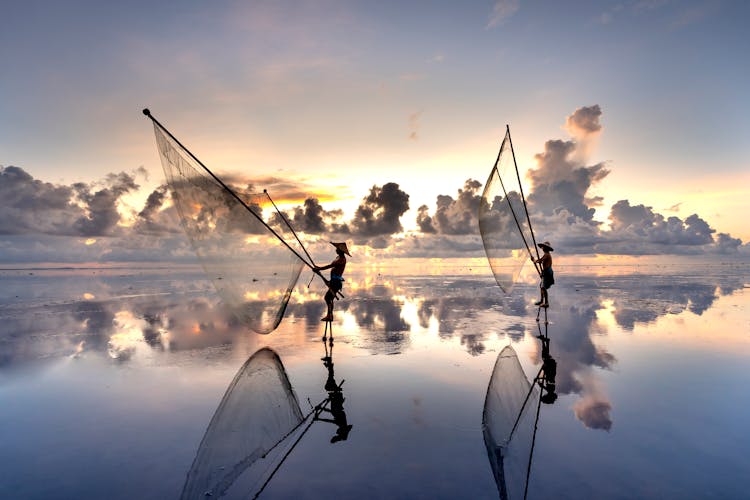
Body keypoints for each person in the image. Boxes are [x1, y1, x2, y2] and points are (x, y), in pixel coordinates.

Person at [315, 242, 350, 322]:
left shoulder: (342, 259)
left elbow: (330, 266)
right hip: (333, 281)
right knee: (330, 298)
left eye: (337, 249)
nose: (336, 249)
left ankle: (330, 316)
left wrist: (319, 269)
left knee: (327, 298)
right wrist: (319, 268)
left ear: (341, 251)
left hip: (336, 283)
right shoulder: (338, 257)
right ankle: (329, 315)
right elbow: (331, 266)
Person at [533, 241, 554, 307]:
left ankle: (546, 303)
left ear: (546, 248)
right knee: (541, 286)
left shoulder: (547, 254)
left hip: (547, 271)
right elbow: (541, 261)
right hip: (546, 271)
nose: (542, 248)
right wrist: (542, 273)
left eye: (544, 247)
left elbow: (540, 260)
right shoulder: (546, 254)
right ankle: (542, 301)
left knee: (543, 287)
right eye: (543, 247)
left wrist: (534, 260)